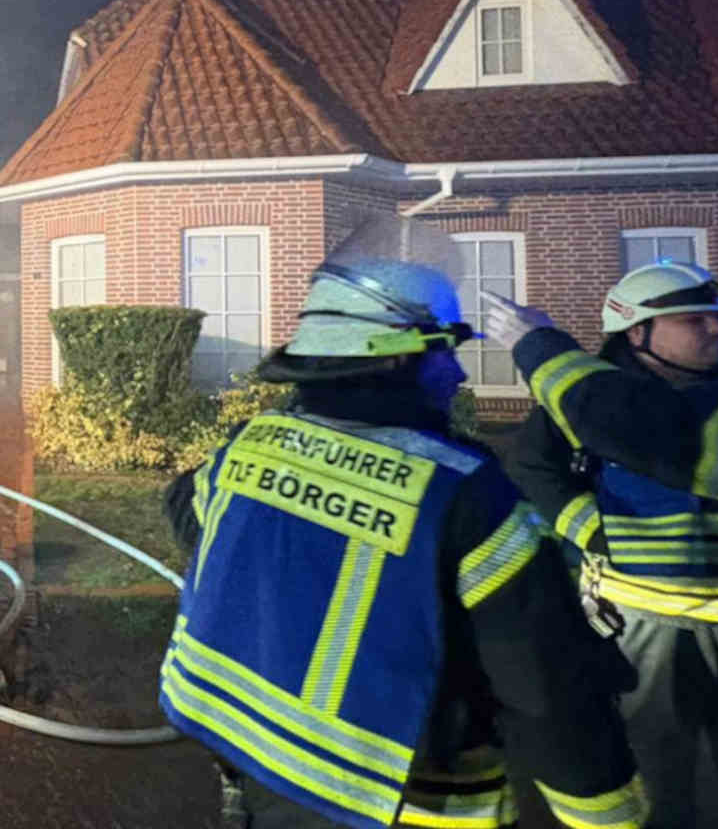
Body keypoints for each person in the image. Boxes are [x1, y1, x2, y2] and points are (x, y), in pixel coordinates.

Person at [160, 216, 648, 829]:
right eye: (445, 351)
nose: (459, 375)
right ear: (393, 358)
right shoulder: (464, 494)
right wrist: (610, 815)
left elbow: (188, 517)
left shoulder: (247, 447)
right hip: (406, 800)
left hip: (256, 767)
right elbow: (547, 689)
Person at [485, 270, 718, 829]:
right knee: (653, 768)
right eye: (695, 319)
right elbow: (535, 469)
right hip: (648, 622)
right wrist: (597, 534)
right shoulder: (584, 400)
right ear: (636, 333)